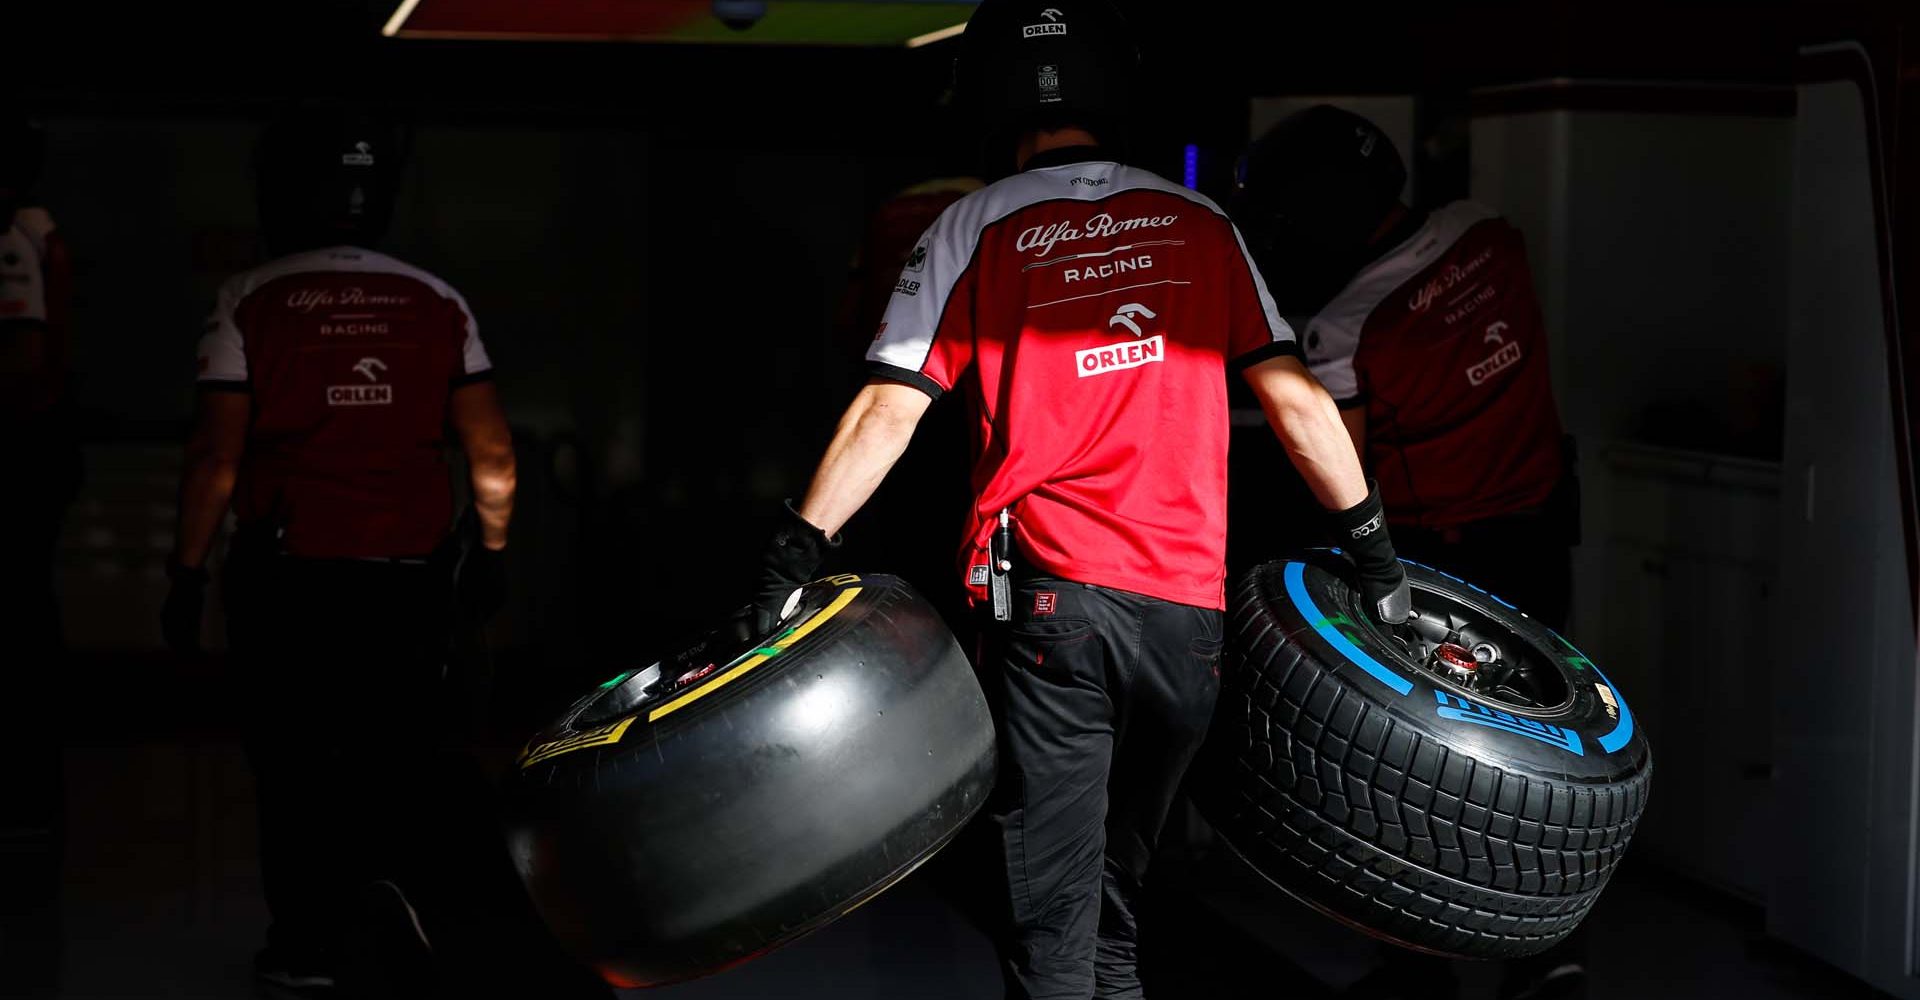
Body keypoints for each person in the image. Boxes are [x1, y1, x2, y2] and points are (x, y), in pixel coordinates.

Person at [738, 5, 1412, 997]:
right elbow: (1299, 402)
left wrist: (793, 551)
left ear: (994, 106)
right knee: (1112, 919)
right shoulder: (1199, 222)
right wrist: (1378, 558)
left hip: (1053, 616)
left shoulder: (970, 224)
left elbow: (889, 408)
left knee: (1050, 930)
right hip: (1189, 621)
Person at [158, 107, 589, 999]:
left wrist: (185, 571)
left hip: (288, 576)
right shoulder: (437, 299)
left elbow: (216, 459)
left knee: (294, 762)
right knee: (402, 757)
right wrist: (494, 551)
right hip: (410, 575)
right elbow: (495, 456)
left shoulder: (248, 298)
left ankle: (307, 948)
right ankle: (404, 936)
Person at [1235, 104, 1581, 1000]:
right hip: (1541, 532)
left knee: (1429, 771)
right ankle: (1549, 953)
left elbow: (1338, 467)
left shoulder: (1346, 327)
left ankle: (1419, 965)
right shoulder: (1487, 233)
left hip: (1437, 573)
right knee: (1554, 760)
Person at [0, 106, 78, 997]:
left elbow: (23, 362)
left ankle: (23, 799)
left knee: (19, 618)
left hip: (19, 458)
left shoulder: (18, 238)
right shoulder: (37, 232)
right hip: (34, 455)